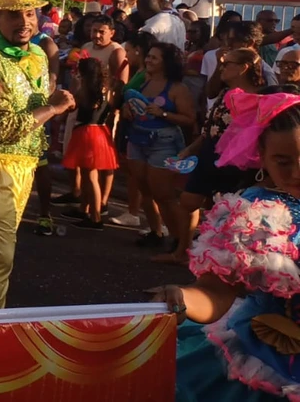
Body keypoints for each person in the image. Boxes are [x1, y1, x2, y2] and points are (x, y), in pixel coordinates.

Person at [156, 87, 300, 401]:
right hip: (269, 361)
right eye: (283, 161)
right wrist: (182, 298)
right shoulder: (255, 213)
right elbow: (218, 290)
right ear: (262, 156)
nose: (297, 172)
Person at [0, 0, 74, 309]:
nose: (23, 21)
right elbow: (1, 129)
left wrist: (53, 100)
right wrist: (52, 108)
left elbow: (33, 103)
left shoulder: (39, 54)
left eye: (29, 13)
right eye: (13, 15)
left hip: (24, 168)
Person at [170, 47, 262, 262]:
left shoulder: (257, 97)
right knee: (188, 200)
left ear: (243, 68)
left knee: (223, 210)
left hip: (234, 161)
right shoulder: (225, 93)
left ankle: (213, 259)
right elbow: (210, 128)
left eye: (226, 64)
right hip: (209, 151)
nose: (221, 67)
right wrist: (189, 149)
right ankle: (183, 251)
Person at [122, 43, 195, 263]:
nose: (148, 60)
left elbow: (189, 119)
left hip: (163, 142)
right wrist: (127, 110)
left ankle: (179, 241)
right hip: (137, 139)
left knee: (164, 195)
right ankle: (156, 232)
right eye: (149, 57)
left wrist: (163, 113)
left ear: (166, 62)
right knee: (145, 189)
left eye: (154, 58)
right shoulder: (145, 81)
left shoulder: (177, 88)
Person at [61, 57, 119, 229]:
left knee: (90, 177)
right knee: (90, 175)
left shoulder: (84, 90)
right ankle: (84, 209)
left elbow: (72, 106)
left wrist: (72, 88)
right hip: (101, 132)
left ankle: (95, 217)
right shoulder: (108, 90)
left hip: (86, 133)